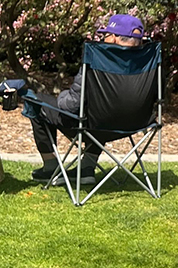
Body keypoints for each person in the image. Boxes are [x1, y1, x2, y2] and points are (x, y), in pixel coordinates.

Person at [27, 13, 145, 184]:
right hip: (135, 124)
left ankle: (51, 167)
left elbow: (71, 105)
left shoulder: (98, 58)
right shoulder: (149, 61)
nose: (102, 39)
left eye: (105, 35)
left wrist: (61, 96)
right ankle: (86, 168)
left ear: (113, 39)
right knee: (103, 110)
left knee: (35, 101)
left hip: (96, 124)